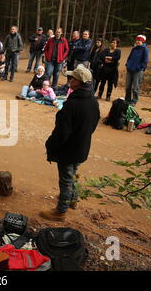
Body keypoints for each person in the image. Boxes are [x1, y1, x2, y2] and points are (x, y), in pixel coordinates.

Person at [41, 64, 100, 221]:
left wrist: (50, 145)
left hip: (68, 150)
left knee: (66, 179)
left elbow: (62, 132)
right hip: (82, 146)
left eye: (72, 78)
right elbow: (94, 123)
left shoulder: (72, 104)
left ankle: (61, 211)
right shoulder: (92, 100)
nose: (69, 79)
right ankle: (73, 200)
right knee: (73, 175)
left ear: (78, 82)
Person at [125, 35, 149, 105]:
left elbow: (145, 61)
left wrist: (139, 67)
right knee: (128, 85)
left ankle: (134, 100)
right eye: (137, 40)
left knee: (135, 87)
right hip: (130, 69)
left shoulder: (145, 49)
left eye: (139, 40)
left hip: (138, 70)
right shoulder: (134, 48)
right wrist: (127, 64)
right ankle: (127, 99)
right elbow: (129, 57)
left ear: (142, 41)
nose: (138, 41)